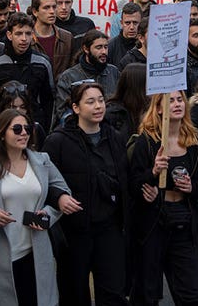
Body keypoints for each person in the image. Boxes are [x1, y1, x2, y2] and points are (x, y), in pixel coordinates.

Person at [0, 109, 81, 306]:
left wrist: (48, 213)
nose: (23, 133)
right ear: (1, 134)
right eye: (16, 129)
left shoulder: (41, 160)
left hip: (36, 250)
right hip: (0, 253)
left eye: (27, 128)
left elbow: (62, 189)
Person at [41, 83, 130, 306]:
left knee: (112, 291)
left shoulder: (115, 138)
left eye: (101, 100)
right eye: (90, 102)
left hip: (109, 227)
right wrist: (58, 197)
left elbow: (126, 179)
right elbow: (43, 182)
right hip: (74, 230)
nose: (98, 106)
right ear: (76, 108)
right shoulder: (58, 141)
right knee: (73, 292)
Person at [128, 91, 198, 306]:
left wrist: (192, 187)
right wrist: (153, 174)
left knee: (192, 293)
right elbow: (134, 183)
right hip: (154, 222)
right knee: (147, 293)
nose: (177, 104)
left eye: (180, 99)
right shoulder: (146, 141)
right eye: (170, 100)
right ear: (158, 108)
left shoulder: (195, 141)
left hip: (184, 220)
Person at [54, 30, 120, 128]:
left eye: (106, 47)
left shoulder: (113, 72)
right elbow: (62, 112)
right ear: (86, 49)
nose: (104, 52)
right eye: (98, 47)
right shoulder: (68, 77)